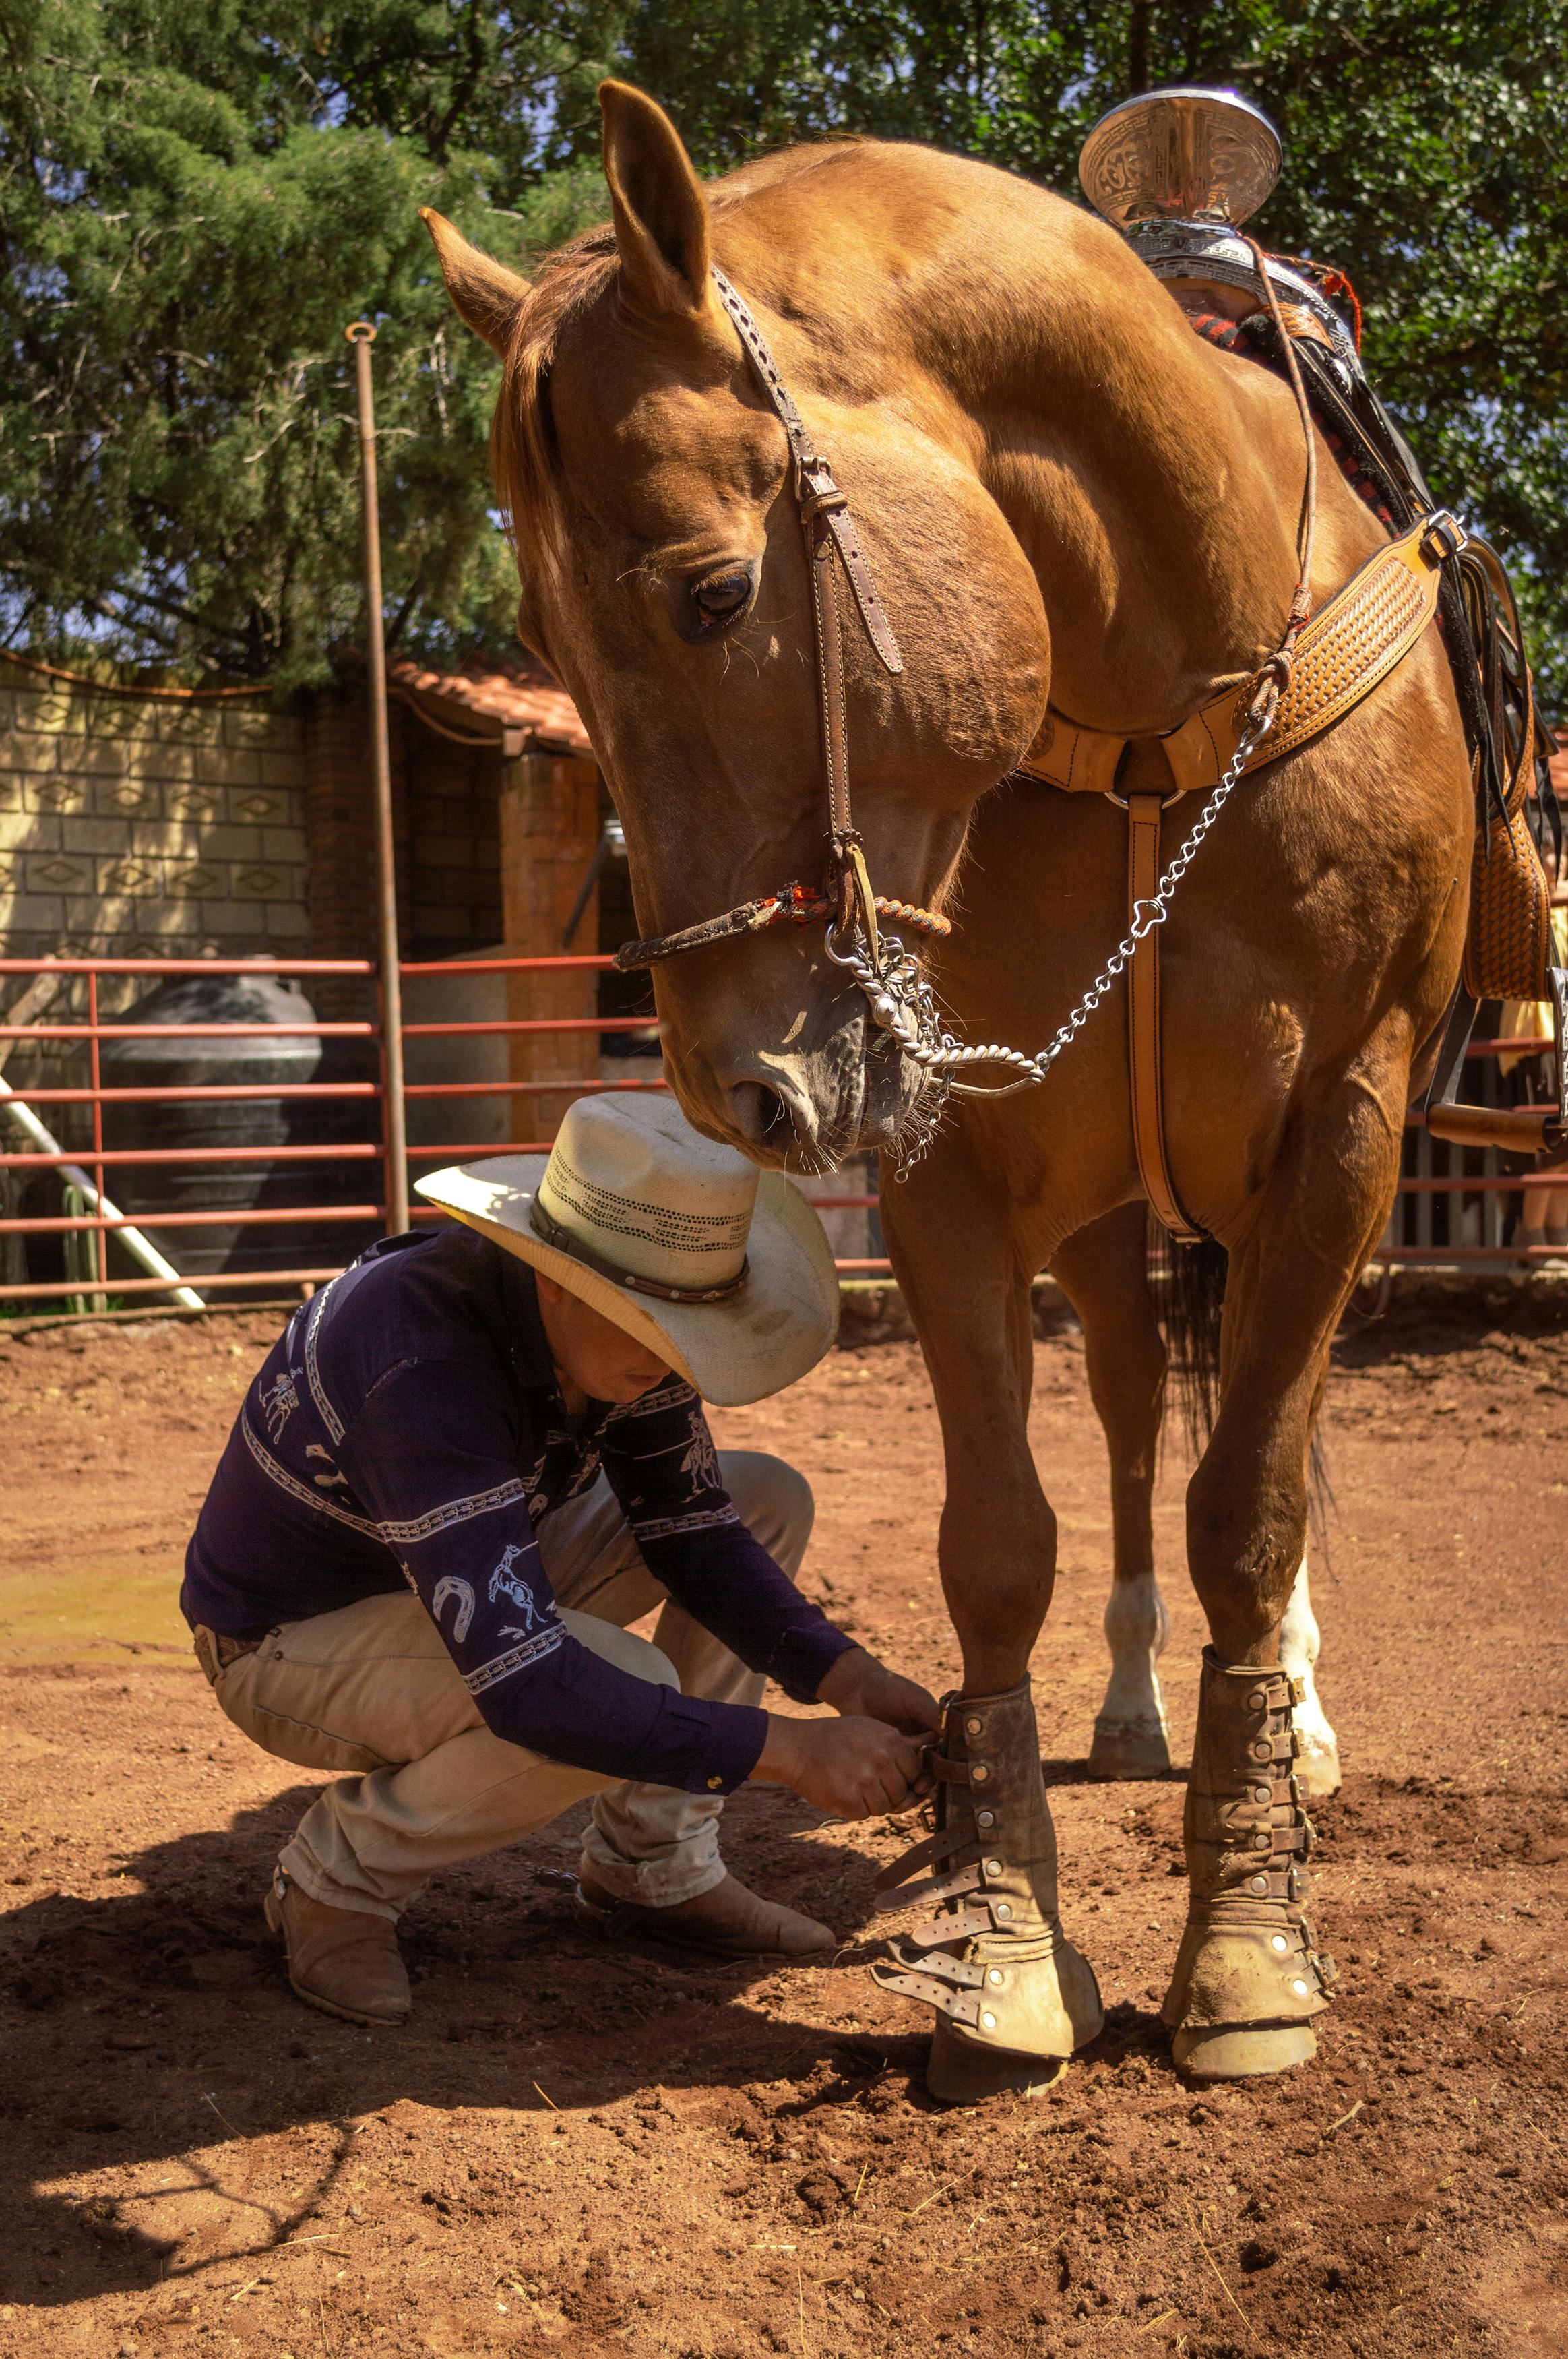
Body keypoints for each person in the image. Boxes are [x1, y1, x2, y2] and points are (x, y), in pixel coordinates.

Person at [181, 1093, 939, 2026]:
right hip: (290, 1642)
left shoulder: (621, 1343)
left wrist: (848, 1680)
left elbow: (693, 1531)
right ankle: (335, 1880)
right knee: (608, 1681)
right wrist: (792, 1751)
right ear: (554, 1276)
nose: (673, 1360)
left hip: (458, 1563)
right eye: (648, 1320)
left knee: (760, 1492)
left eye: (688, 1328)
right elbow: (531, 1689)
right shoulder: (421, 1361)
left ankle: (652, 1866)